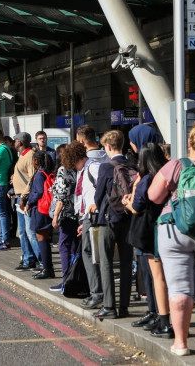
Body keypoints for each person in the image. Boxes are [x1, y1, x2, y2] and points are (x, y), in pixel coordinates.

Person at [148, 121, 195, 355]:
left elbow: (155, 196)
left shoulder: (176, 165)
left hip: (174, 230)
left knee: (179, 290)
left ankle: (181, 343)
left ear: (189, 143)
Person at [125, 124, 172, 338]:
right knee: (153, 276)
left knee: (155, 276)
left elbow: (137, 205)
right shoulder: (165, 171)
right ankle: (155, 313)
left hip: (147, 230)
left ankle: (161, 317)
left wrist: (128, 202)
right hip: (158, 229)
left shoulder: (147, 178)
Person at [89, 130, 134, 319]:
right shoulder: (132, 165)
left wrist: (97, 208)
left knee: (106, 263)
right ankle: (124, 306)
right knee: (125, 263)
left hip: (109, 219)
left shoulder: (106, 167)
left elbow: (99, 195)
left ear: (108, 146)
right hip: (128, 218)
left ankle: (109, 306)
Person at [74, 125, 108, 310]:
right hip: (94, 213)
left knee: (90, 252)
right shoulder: (105, 157)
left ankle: (97, 293)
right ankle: (99, 292)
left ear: (81, 141)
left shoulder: (91, 164)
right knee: (97, 253)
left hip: (93, 213)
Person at [51, 141, 87, 291]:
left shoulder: (63, 170)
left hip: (66, 214)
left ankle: (66, 280)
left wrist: (55, 215)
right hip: (79, 213)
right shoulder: (79, 169)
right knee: (74, 247)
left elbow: (62, 195)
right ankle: (75, 278)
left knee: (63, 246)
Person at [12, 132, 40, 271]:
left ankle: (41, 261)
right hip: (20, 197)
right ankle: (28, 259)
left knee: (30, 232)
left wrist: (23, 196)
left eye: (15, 140)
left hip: (25, 198)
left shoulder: (29, 156)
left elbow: (32, 178)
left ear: (20, 142)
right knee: (22, 232)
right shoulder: (22, 156)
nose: (13, 143)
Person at [26, 150, 56, 279]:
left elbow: (37, 192)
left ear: (36, 161)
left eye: (33, 160)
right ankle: (48, 268)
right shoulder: (48, 172)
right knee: (45, 238)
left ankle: (47, 269)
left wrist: (28, 203)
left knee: (41, 239)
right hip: (47, 208)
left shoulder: (39, 175)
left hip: (40, 209)